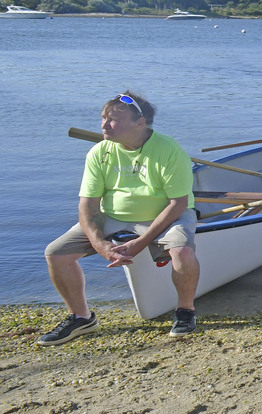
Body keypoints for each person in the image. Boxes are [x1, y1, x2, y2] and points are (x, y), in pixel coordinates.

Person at [39, 92, 201, 344]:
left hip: (165, 215)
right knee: (56, 253)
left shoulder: (170, 150)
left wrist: (140, 243)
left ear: (140, 123)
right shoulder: (99, 152)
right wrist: (99, 244)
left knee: (183, 253)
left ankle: (185, 311)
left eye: (113, 119)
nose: (104, 125)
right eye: (103, 118)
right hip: (113, 216)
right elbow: (87, 204)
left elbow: (177, 204)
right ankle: (81, 318)